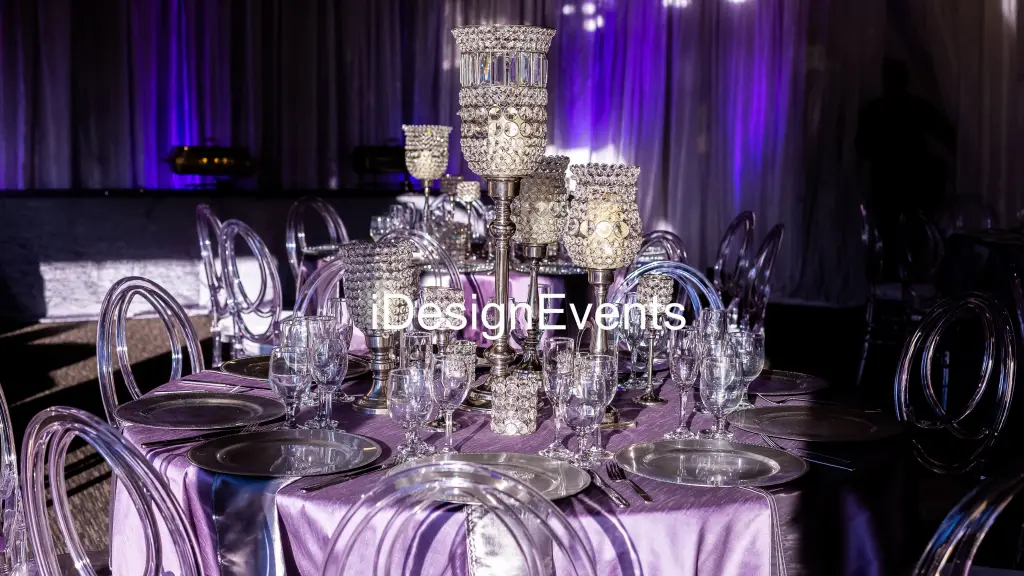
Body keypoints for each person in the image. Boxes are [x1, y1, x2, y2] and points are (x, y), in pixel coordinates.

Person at [856, 59, 955, 278]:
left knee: (891, 239)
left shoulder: (875, 109)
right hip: (912, 183)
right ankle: (909, 281)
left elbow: (860, 147)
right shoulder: (916, 107)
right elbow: (948, 135)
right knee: (911, 240)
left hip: (888, 184)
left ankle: (894, 280)